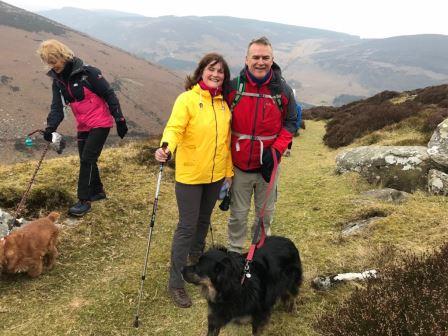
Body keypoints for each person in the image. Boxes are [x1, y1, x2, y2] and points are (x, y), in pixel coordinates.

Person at [154, 53, 233, 308]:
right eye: (212, 70)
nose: (216, 75)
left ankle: (197, 264)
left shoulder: (223, 104)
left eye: (220, 71)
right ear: (201, 72)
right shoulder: (187, 99)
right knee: (187, 226)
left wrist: (228, 173)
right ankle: (176, 282)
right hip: (189, 176)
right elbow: (174, 128)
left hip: (215, 175)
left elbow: (226, 142)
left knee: (203, 220)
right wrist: (166, 148)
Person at [37, 39, 128, 217]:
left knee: (87, 158)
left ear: (63, 56)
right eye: (48, 62)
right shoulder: (58, 81)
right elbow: (57, 108)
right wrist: (50, 128)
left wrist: (120, 119)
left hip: (100, 122)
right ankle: (98, 191)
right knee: (86, 159)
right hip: (84, 124)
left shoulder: (88, 73)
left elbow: (109, 94)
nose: (52, 66)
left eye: (54, 61)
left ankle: (84, 200)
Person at [227, 36, 297, 253]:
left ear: (272, 59)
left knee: (264, 216)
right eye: (255, 57)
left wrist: (276, 151)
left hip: (269, 166)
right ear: (246, 60)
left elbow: (292, 122)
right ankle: (235, 254)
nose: (260, 62)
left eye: (265, 58)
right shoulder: (233, 88)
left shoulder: (282, 90)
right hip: (239, 166)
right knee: (237, 215)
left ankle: (258, 254)